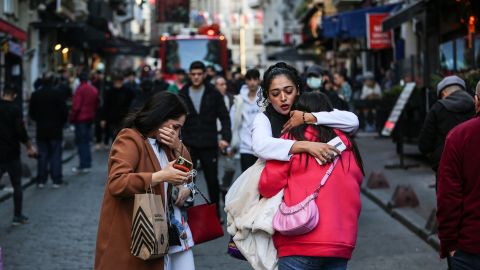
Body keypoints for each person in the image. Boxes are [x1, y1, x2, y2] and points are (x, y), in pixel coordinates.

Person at [258, 92, 364, 270]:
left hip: (298, 242)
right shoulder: (347, 144)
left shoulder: (292, 142)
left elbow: (267, 186)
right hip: (340, 245)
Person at [95, 92, 193, 270]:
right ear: (160, 118)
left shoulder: (166, 144)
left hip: (170, 234)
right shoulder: (130, 138)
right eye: (175, 127)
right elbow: (117, 183)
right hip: (137, 234)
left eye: (180, 129)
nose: (177, 133)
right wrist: (160, 176)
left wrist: (178, 147)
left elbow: (188, 172)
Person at [436, 81, 480, 270]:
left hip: (471, 247)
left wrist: (449, 244)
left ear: (477, 101)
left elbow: (448, 198)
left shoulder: (459, 136)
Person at [179, 61, 231, 218]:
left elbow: (224, 117)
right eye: (193, 74)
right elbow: (175, 118)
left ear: (204, 74)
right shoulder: (183, 93)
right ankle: (188, 212)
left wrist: (226, 138)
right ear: (189, 75)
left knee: (212, 180)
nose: (196, 77)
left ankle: (215, 212)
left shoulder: (213, 93)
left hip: (209, 142)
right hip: (188, 144)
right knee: (187, 179)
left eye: (199, 74)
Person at [418, 75, 475, 181]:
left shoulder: (437, 108)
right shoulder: (475, 105)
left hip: (445, 166)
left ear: (444, 93)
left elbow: (424, 144)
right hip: (474, 164)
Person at [0, 84, 37, 225]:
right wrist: (29, 146)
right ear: (14, 95)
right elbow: (20, 131)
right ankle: (17, 215)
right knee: (17, 185)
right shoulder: (15, 110)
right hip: (12, 153)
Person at [29, 73, 68, 188]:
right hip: (55, 129)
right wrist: (61, 122)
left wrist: (39, 120)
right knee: (55, 155)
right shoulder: (58, 94)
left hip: (41, 129)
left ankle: (41, 180)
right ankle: (56, 179)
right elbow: (64, 112)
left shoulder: (36, 94)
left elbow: (32, 113)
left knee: (42, 155)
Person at [230, 68, 262, 172]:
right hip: (245, 146)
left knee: (260, 178)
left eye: (255, 79)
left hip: (261, 145)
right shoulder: (239, 100)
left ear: (259, 80)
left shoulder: (264, 99)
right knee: (246, 178)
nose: (252, 82)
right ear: (246, 81)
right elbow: (233, 121)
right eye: (249, 79)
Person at [69, 71, 99, 173]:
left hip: (80, 119)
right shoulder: (93, 89)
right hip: (89, 118)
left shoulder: (80, 90)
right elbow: (96, 103)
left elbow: (76, 106)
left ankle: (83, 164)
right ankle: (87, 162)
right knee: (86, 141)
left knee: (81, 142)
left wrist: (72, 118)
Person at [101, 72, 134, 141]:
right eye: (116, 82)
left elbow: (132, 104)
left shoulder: (128, 91)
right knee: (114, 136)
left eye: (119, 82)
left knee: (122, 136)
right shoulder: (109, 91)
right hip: (113, 117)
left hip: (124, 117)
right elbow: (106, 105)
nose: (118, 84)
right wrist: (103, 118)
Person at [93, 70, 110, 150]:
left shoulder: (107, 84)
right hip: (97, 107)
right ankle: (98, 141)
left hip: (107, 107)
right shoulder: (94, 84)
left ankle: (106, 142)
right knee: (97, 125)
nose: (100, 76)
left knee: (107, 125)